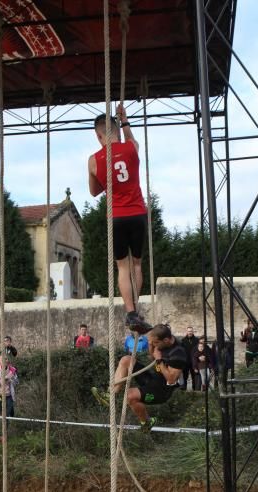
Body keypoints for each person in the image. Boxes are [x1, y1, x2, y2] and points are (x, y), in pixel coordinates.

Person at [88, 103, 152, 335]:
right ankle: (136, 309)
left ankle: (130, 312)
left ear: (99, 135)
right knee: (136, 263)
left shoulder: (94, 160)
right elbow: (131, 139)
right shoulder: (132, 148)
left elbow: (94, 191)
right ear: (117, 129)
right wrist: (125, 120)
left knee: (122, 267)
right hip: (138, 214)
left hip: (117, 217)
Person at [91, 323, 186, 432]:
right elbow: (152, 357)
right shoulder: (161, 342)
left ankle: (146, 421)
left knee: (130, 396)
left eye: (156, 343)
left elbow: (171, 380)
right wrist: (151, 345)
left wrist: (159, 360)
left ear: (165, 340)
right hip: (153, 378)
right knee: (126, 359)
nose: (154, 345)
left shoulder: (179, 354)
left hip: (162, 390)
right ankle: (110, 395)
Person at [180, 326, 199, 390]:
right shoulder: (183, 340)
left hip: (194, 361)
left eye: (191, 331)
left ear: (193, 331)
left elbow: (199, 350)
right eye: (188, 331)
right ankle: (184, 390)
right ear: (186, 332)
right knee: (185, 376)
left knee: (194, 376)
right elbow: (181, 352)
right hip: (185, 362)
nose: (190, 332)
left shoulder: (197, 340)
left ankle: (195, 390)